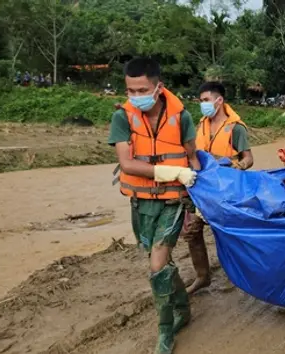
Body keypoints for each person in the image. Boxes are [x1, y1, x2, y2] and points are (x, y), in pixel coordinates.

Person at [108, 57, 200, 354]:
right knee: (159, 261)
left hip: (173, 201)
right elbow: (126, 162)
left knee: (157, 263)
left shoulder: (181, 117)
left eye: (142, 90)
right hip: (141, 202)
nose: (136, 97)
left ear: (158, 87)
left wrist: (199, 193)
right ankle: (183, 306)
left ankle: (165, 331)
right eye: (130, 91)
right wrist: (170, 171)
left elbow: (193, 158)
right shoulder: (123, 117)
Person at [181, 81, 254, 294]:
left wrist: (234, 165)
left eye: (206, 100)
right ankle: (202, 277)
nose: (202, 104)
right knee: (193, 233)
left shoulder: (236, 128)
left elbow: (248, 158)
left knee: (228, 234)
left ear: (219, 100)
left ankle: (236, 274)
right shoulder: (201, 125)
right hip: (200, 187)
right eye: (201, 100)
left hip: (226, 189)